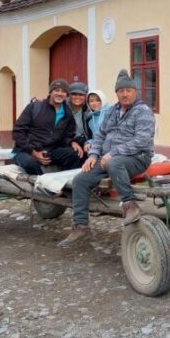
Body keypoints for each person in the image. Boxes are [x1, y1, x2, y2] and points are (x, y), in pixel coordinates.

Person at [58, 69, 156, 248]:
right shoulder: (111, 111)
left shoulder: (143, 111)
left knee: (114, 163)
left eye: (128, 90)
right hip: (108, 159)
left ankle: (130, 204)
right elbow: (100, 135)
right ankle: (81, 225)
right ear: (116, 93)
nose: (125, 94)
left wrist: (113, 153)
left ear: (135, 92)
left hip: (138, 157)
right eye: (121, 91)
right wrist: (93, 155)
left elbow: (142, 140)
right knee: (80, 180)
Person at [12, 78, 84, 175]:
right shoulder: (35, 107)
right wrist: (33, 152)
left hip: (50, 151)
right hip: (26, 151)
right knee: (30, 163)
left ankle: (63, 181)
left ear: (66, 95)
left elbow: (68, 134)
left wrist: (72, 141)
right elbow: (18, 131)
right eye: (57, 90)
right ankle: (42, 183)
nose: (60, 93)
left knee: (74, 155)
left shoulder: (67, 112)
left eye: (63, 91)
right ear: (51, 92)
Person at [66, 81, 92, 160]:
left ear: (85, 96)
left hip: (85, 140)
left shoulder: (89, 109)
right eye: (74, 94)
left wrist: (89, 142)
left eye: (81, 95)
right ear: (69, 95)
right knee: (75, 154)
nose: (77, 97)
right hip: (68, 140)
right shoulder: (63, 109)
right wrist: (71, 141)